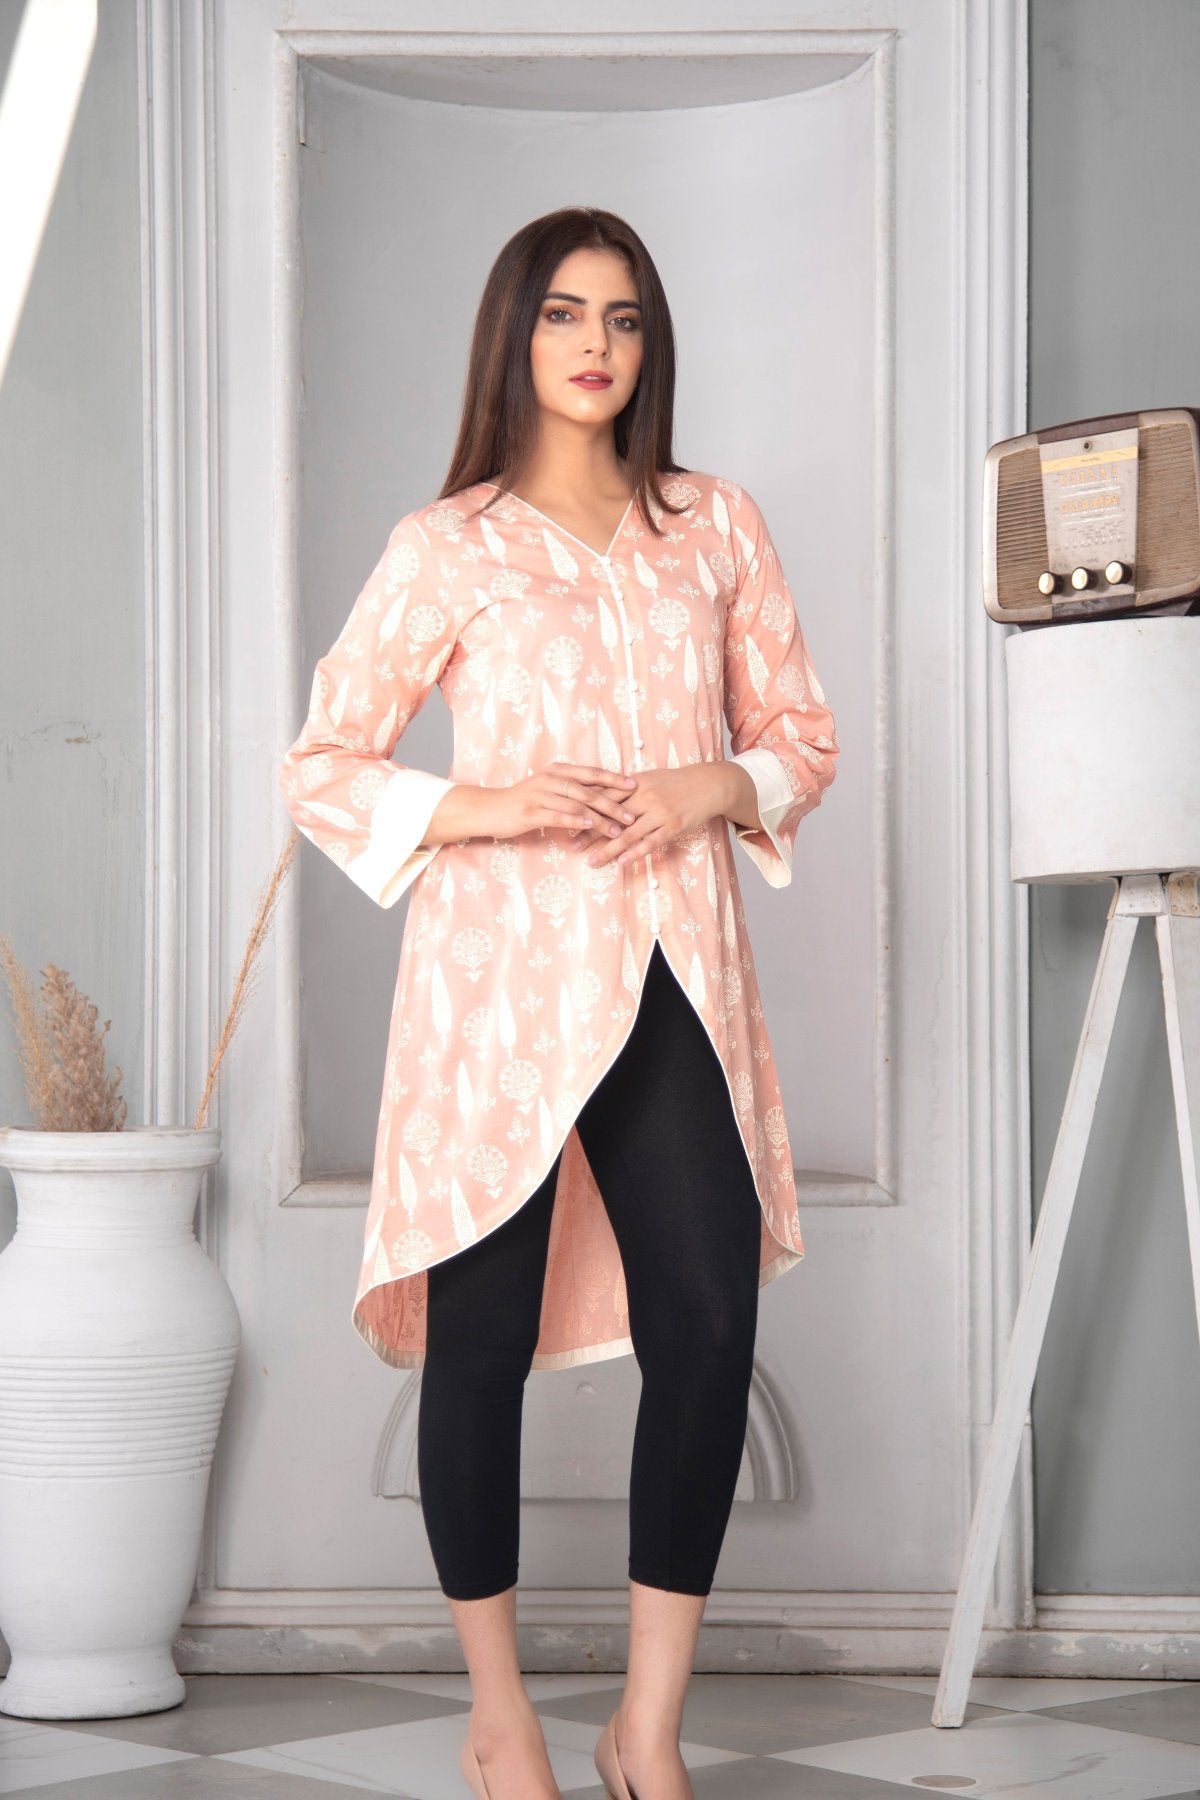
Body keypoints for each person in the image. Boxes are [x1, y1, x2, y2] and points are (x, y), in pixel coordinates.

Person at [278, 206, 839, 1800]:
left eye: (625, 317)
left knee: (710, 1323)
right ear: (513, 336)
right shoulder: (445, 544)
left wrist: (704, 784)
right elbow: (323, 763)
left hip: (673, 971)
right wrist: (491, 805)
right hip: (495, 990)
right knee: (479, 1341)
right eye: (565, 314)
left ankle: (647, 1726)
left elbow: (801, 735)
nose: (598, 345)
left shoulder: (712, 525)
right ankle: (499, 1717)